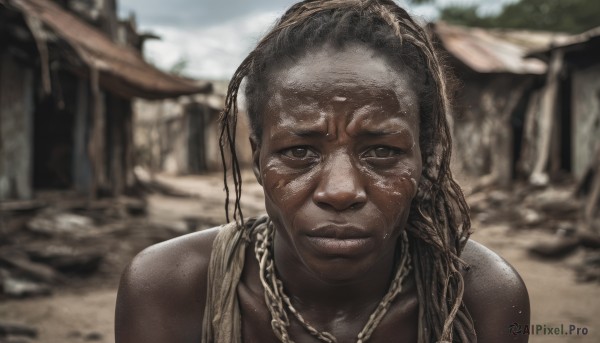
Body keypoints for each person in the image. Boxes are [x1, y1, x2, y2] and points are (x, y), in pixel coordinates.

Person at [115, 1, 530, 342]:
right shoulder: (169, 290)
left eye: (382, 151)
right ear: (258, 158)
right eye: (299, 151)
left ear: (426, 157)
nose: (340, 191)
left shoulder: (481, 298)